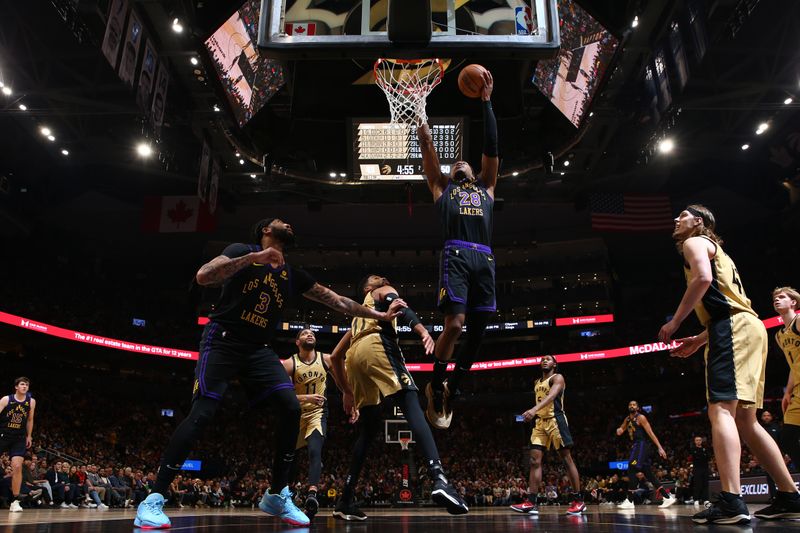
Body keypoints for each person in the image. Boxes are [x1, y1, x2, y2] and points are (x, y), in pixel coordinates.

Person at [134, 219, 404, 529]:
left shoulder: (292, 275)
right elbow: (204, 276)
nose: (287, 223)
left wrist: (379, 314)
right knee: (203, 413)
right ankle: (153, 499)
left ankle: (277, 493)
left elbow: (339, 301)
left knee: (291, 407)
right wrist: (252, 259)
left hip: (258, 349)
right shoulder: (242, 251)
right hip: (223, 339)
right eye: (279, 221)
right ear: (264, 231)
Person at [662, 204, 800, 523]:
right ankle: (789, 494)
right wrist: (698, 340)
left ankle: (731, 500)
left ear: (698, 222)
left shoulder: (693, 242)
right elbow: (726, 302)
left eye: (682, 215)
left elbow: (702, 279)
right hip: (746, 327)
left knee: (721, 409)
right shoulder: (718, 251)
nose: (676, 220)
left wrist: (676, 322)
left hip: (732, 328)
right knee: (747, 421)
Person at [328, 274, 469, 521]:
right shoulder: (381, 291)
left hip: (355, 358)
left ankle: (345, 499)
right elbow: (401, 306)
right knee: (410, 399)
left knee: (369, 429)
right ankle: (439, 478)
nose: (382, 278)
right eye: (375, 278)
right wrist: (423, 330)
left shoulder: (358, 319)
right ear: (368, 288)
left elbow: (335, 357)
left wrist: (346, 392)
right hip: (376, 346)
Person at [416, 69, 499, 428]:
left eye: (464, 162)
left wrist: (487, 103)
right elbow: (429, 151)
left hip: (485, 255)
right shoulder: (440, 188)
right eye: (455, 164)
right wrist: (422, 125)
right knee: (456, 325)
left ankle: (455, 387)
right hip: (458, 253)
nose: (460, 163)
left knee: (480, 329)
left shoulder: (488, 187)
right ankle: (435, 383)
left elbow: (492, 147)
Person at [510, 355, 585, 515]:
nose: (544, 361)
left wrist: (534, 409)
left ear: (555, 364)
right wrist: (536, 413)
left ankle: (579, 501)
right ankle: (531, 502)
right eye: (542, 359)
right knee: (534, 461)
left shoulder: (558, 377)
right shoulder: (537, 382)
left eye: (548, 359)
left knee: (566, 459)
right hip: (540, 423)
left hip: (555, 420)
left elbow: (551, 397)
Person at [281, 328, 336, 520]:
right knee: (287, 458)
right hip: (295, 415)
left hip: (317, 414)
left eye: (312, 333)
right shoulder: (289, 364)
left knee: (315, 451)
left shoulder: (327, 359)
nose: (310, 334)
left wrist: (350, 397)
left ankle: (312, 494)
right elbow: (282, 397)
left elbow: (343, 381)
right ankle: (284, 494)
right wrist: (307, 397)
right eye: (304, 333)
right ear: (297, 342)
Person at [614, 401, 675, 509]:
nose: (632, 406)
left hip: (642, 445)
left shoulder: (641, 417)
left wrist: (660, 447)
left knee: (631, 467)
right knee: (648, 473)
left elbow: (650, 433)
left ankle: (630, 500)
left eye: (634, 405)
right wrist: (619, 430)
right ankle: (667, 497)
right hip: (636, 446)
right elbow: (621, 430)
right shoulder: (627, 419)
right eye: (630, 405)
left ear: (637, 408)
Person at [773, 287, 800, 469]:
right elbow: (793, 365)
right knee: (787, 438)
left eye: (782, 297)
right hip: (797, 390)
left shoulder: (799, 321)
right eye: (775, 298)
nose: (777, 299)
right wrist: (787, 392)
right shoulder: (779, 336)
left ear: (793, 303)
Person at [0, 377, 36, 513]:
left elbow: (30, 419)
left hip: (19, 437)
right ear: (16, 387)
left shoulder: (31, 402)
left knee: (17, 466)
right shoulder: (6, 399)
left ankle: (15, 501)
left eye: (27, 384)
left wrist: (29, 435)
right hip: (3, 435)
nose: (25, 386)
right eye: (22, 384)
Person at [759, 410, 782, 501]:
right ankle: (773, 496)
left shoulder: (776, 428)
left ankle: (783, 495)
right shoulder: (759, 428)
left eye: (768, 415)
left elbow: (781, 442)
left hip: (777, 455)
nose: (766, 417)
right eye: (764, 415)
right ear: (761, 417)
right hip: (764, 455)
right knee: (769, 477)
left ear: (771, 417)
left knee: (780, 475)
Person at [689, 436, 710, 505]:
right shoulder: (693, 449)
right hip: (697, 469)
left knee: (705, 484)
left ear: (701, 441)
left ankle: (706, 499)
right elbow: (695, 457)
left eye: (700, 440)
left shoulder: (705, 449)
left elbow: (708, 457)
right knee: (697, 484)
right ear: (695, 441)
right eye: (697, 440)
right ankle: (696, 499)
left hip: (705, 468)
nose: (698, 441)